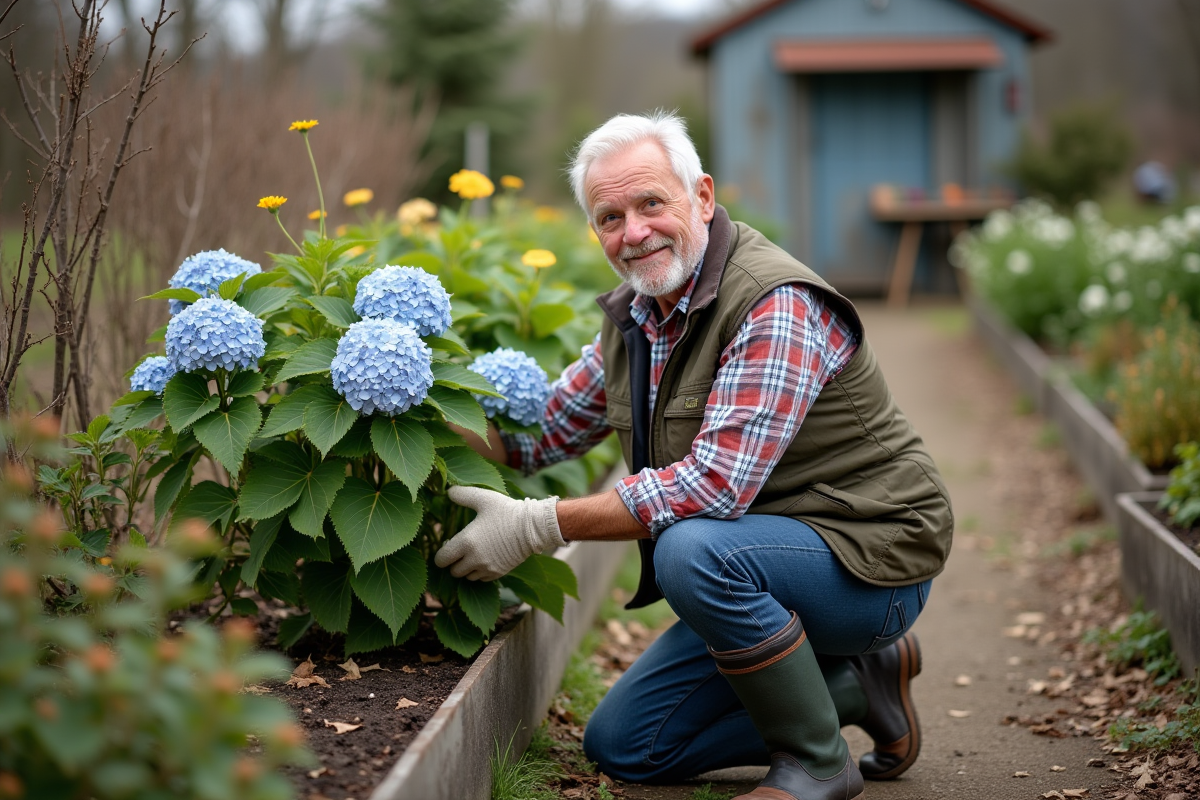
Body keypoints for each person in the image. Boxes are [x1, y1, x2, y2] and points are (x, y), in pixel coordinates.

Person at [435, 111, 953, 800]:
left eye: (651, 202)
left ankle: (817, 762)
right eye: (610, 217)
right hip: (762, 560)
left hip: (869, 558)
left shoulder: (775, 302)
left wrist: (537, 525)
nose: (634, 231)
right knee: (626, 746)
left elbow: (712, 489)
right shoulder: (637, 316)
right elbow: (545, 435)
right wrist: (419, 412)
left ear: (701, 197)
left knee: (690, 549)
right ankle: (856, 685)